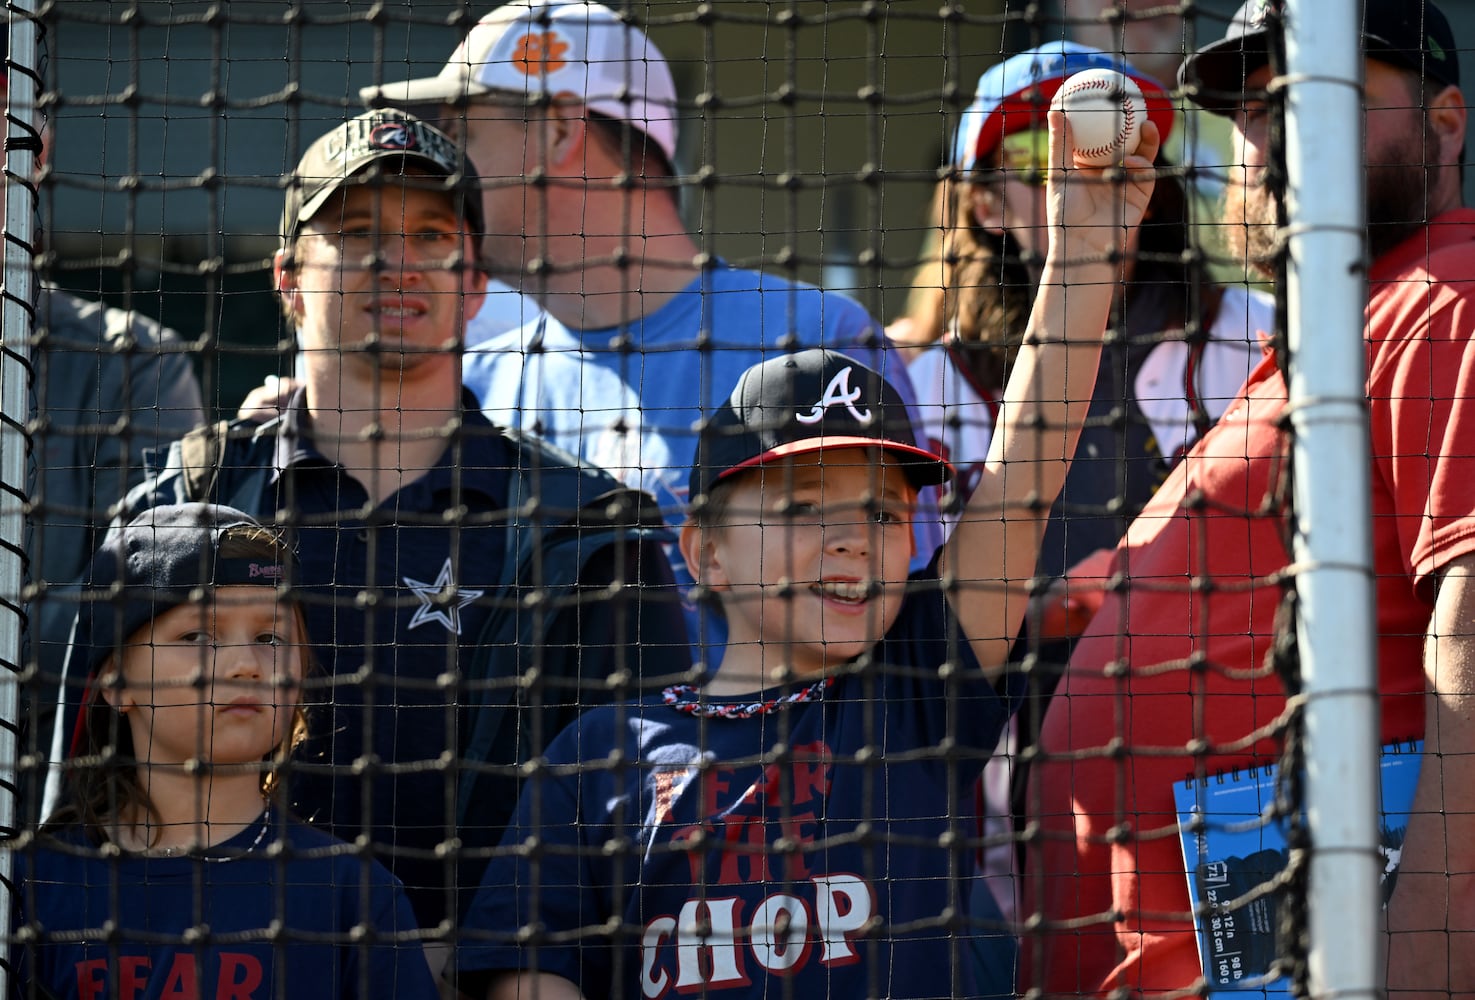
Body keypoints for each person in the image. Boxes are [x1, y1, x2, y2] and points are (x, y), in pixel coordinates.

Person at [451, 102, 1160, 1000]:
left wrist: (1084, 256)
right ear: (702, 551)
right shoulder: (598, 757)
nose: (847, 539)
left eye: (879, 512)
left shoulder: (917, 690)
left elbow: (1024, 475)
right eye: (800, 507)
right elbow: (530, 980)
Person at [46, 108, 689, 936]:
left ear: (477, 282)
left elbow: (646, 826)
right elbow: (89, 796)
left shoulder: (591, 532)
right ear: (285, 278)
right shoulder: (177, 511)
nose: (398, 263)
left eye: (432, 234)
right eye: (356, 232)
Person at [1020, 1, 1475, 996]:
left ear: (1445, 122)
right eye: (1253, 109)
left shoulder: (1447, 290)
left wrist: (1422, 969)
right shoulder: (1327, 330)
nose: (1271, 135)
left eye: (1318, 94)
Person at [361, 0, 934, 661]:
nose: (440, 169)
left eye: (462, 132)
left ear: (556, 130)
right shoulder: (467, 383)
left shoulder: (814, 340)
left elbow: (909, 626)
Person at [16, 503, 438, 1000]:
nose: (246, 664)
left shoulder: (352, 897)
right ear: (114, 680)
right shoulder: (33, 886)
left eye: (269, 637)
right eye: (198, 635)